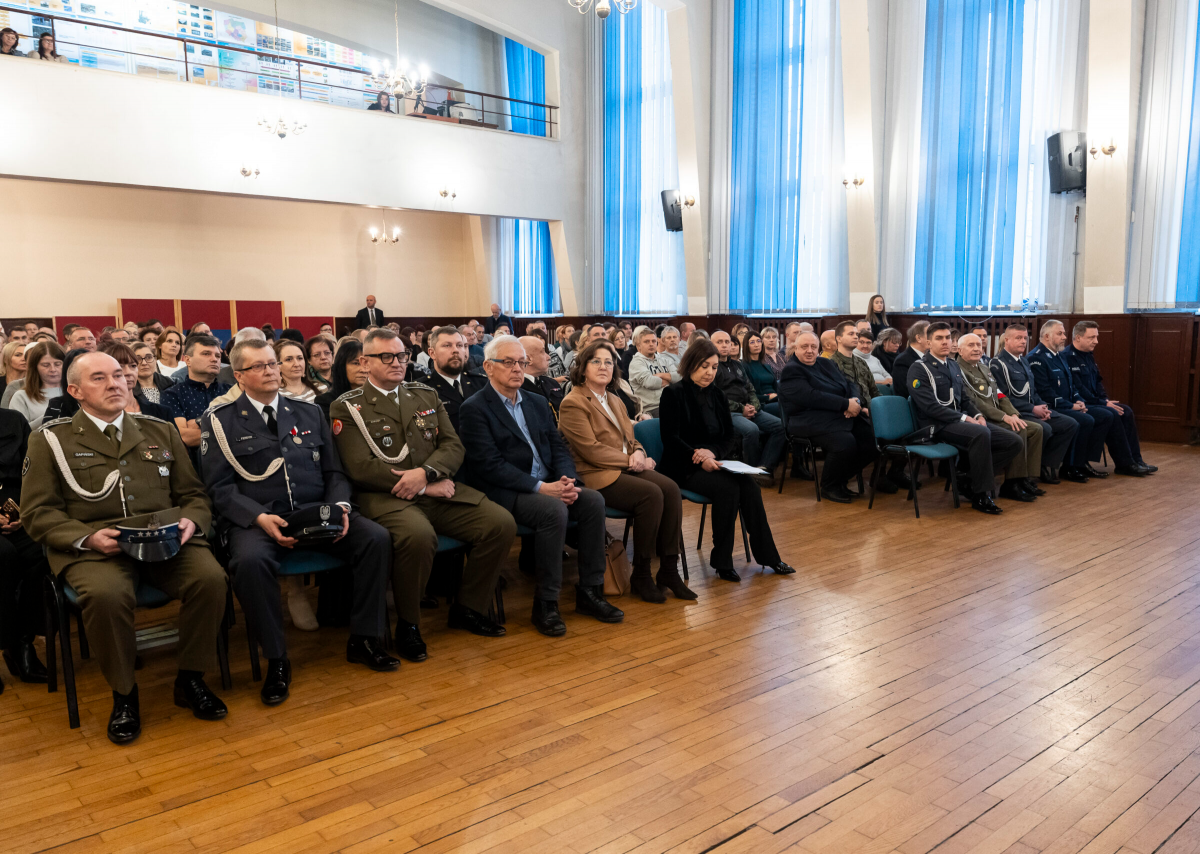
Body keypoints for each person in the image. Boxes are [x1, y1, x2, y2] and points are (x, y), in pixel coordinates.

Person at [22, 351, 228, 743]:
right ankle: (124, 693)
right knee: (106, 594)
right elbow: (38, 513)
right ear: (74, 391)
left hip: (163, 537)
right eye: (99, 378)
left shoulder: (157, 429)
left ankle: (190, 678)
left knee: (211, 578)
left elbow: (193, 494)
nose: (115, 383)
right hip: (95, 544)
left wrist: (191, 521)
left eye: (118, 375)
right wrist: (87, 538)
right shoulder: (50, 439)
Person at [200, 339, 399, 705]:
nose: (271, 371)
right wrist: (257, 517)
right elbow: (219, 489)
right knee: (249, 562)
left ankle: (365, 639)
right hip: (259, 518)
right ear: (240, 376)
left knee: (375, 538)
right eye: (260, 366)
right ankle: (276, 658)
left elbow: (334, 470)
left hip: (315, 511)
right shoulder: (219, 420)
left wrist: (339, 506)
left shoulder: (308, 412)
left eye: (273, 364)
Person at [330, 329, 513, 657]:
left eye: (401, 356)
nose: (397, 363)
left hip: (435, 490)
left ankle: (468, 607)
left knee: (499, 523)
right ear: (364, 362)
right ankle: (409, 624)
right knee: (417, 536)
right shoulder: (348, 407)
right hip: (386, 497)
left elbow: (453, 445)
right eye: (386, 357)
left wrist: (427, 475)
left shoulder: (424, 395)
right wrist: (424, 483)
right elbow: (360, 467)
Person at [458, 336, 623, 636]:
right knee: (552, 511)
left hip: (549, 483)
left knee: (592, 501)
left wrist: (567, 479)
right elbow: (489, 465)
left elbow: (558, 446)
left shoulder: (535, 402)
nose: (517, 369)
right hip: (507, 491)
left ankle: (590, 592)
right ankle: (546, 603)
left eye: (521, 362)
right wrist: (540, 488)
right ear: (487, 367)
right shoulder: (475, 408)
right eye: (508, 362)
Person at [558, 340, 694, 602]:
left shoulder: (614, 399)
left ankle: (668, 570)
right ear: (583, 367)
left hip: (626, 466)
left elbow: (631, 440)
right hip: (597, 474)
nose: (603, 366)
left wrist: (641, 453)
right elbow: (591, 450)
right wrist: (630, 459)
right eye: (595, 361)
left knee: (671, 488)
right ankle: (641, 574)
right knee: (651, 494)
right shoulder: (573, 402)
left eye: (609, 362)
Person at [658, 339, 793, 580]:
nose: (709, 372)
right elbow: (670, 439)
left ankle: (770, 557)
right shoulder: (673, 393)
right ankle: (722, 561)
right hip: (682, 465)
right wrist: (699, 457)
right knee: (728, 489)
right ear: (690, 365)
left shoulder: (718, 395)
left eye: (713, 367)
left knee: (750, 488)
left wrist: (713, 454)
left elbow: (729, 437)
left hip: (714, 460)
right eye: (704, 366)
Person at [906, 323, 1023, 514]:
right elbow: (930, 407)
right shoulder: (919, 369)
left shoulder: (952, 364)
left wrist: (977, 414)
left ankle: (968, 478)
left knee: (1013, 441)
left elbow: (965, 398)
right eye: (939, 338)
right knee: (980, 434)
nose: (945, 342)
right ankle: (980, 495)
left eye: (947, 338)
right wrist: (965, 418)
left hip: (958, 422)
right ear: (928, 342)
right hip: (936, 426)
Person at [780, 332, 882, 503]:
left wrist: (854, 402)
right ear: (795, 348)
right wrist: (845, 404)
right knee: (845, 443)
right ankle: (829, 486)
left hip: (838, 414)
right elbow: (811, 396)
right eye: (804, 347)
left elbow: (850, 383)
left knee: (871, 441)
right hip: (807, 419)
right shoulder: (792, 370)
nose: (810, 351)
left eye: (813, 347)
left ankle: (841, 480)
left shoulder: (825, 363)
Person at [955, 334, 1045, 503]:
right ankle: (1011, 484)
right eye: (970, 345)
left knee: (1036, 429)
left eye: (979, 345)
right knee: (1019, 429)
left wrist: (1013, 414)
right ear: (959, 350)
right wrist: (1004, 417)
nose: (976, 348)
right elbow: (975, 402)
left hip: (998, 415)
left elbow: (1000, 394)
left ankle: (1023, 478)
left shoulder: (983, 367)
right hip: (982, 418)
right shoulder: (958, 370)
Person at [992, 324, 1082, 484]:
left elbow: (1033, 392)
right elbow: (1003, 398)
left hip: (1032, 409)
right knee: (1044, 429)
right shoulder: (998, 364)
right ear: (1007, 340)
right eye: (1018, 338)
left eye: (1025, 338)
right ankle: (1027, 475)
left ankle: (1046, 465)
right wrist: (1032, 409)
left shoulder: (1023, 361)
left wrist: (1043, 407)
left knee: (1069, 424)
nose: (1023, 342)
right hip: (1017, 412)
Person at [1063, 321, 1155, 476]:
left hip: (1095, 401)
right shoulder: (1067, 357)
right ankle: (1125, 463)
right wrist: (1103, 403)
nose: (1096, 341)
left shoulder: (1088, 355)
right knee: (1111, 414)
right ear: (1078, 338)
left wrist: (1106, 400)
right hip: (1080, 404)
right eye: (1091, 337)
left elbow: (1097, 382)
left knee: (1126, 411)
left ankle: (1136, 459)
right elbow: (1078, 388)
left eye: (1096, 337)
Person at [0, 407, 49, 691]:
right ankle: (6, 642)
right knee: (2, 557)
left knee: (42, 550)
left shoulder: (13, 420)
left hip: (18, 512)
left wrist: (24, 512)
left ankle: (23, 643)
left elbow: (34, 472)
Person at [1028, 320, 1109, 481]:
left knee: (1098, 417)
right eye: (1060, 334)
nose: (1065, 337)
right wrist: (1071, 406)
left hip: (1065, 404)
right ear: (1046, 336)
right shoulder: (1037, 358)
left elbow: (1072, 386)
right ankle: (1070, 466)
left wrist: (1079, 401)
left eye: (1064, 333)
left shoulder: (1059, 355)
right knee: (1083, 420)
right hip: (1051, 406)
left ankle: (1080, 463)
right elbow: (1045, 393)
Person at [709, 330, 785, 477]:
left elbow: (750, 388)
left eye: (727, 342)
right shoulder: (711, 367)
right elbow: (716, 397)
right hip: (729, 412)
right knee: (751, 430)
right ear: (711, 345)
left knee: (781, 427)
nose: (725, 345)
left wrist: (754, 406)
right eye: (720, 342)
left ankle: (764, 468)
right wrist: (742, 408)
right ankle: (752, 473)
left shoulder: (737, 365)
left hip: (750, 409)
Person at [161, 334, 229, 457]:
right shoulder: (172, 394)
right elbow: (183, 436)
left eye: (217, 355)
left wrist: (197, 423)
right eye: (206, 354)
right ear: (187, 360)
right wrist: (227, 431)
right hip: (193, 467)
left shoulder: (231, 392)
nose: (214, 359)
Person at [424, 326, 488, 431]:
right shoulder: (424, 390)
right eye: (447, 345)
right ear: (432, 353)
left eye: (460, 345)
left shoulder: (481, 383)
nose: (455, 350)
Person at [8, 341, 64, 426]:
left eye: (57, 364)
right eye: (45, 365)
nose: (53, 369)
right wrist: (49, 416)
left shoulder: (77, 393)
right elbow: (18, 432)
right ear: (35, 367)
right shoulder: (21, 397)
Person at [626, 328, 678, 418]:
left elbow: (679, 377)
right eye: (646, 342)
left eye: (653, 341)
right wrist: (670, 379)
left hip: (672, 402)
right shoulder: (636, 363)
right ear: (638, 346)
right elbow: (650, 382)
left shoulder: (664, 359)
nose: (651, 344)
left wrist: (660, 375)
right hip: (652, 408)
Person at [314, 338, 368, 416]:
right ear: (342, 366)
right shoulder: (326, 402)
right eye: (356, 363)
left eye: (366, 364)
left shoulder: (379, 398)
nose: (363, 370)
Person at [829, 321, 879, 408]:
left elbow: (873, 390)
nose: (856, 337)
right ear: (839, 338)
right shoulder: (831, 363)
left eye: (856, 334)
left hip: (870, 411)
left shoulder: (861, 362)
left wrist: (879, 408)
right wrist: (861, 410)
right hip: (849, 412)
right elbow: (835, 395)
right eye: (851, 334)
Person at [519, 335, 566, 421]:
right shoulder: (517, 388)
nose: (548, 357)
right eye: (543, 352)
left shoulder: (551, 383)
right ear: (528, 359)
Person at [741, 330, 781, 416]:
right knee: (786, 406)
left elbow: (776, 387)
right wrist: (768, 397)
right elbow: (748, 394)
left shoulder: (766, 365)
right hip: (762, 403)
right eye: (752, 342)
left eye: (759, 341)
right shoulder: (744, 366)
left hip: (776, 398)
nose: (756, 344)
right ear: (746, 346)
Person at [891, 321, 929, 398]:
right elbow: (906, 391)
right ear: (918, 338)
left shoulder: (930, 358)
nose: (933, 338)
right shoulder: (902, 361)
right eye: (929, 334)